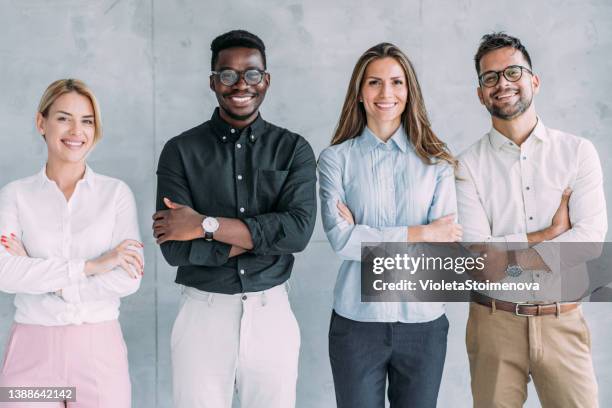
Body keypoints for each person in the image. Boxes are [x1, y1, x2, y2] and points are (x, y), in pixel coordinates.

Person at [152, 30, 316, 408]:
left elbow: (298, 233)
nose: (241, 84)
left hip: (271, 312)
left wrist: (205, 225)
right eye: (227, 75)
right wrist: (261, 240)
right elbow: (175, 248)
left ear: (266, 80)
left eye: (252, 73)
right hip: (202, 315)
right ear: (213, 82)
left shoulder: (293, 149)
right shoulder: (180, 151)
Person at [456, 32, 607, 407]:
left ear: (534, 81)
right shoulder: (466, 166)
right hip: (493, 324)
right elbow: (476, 259)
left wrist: (507, 258)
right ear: (480, 93)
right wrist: (550, 234)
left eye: (512, 72)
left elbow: (589, 241)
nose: (502, 84)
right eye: (490, 78)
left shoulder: (577, 153)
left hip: (562, 321)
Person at [318, 42, 462, 408]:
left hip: (424, 325)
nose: (387, 93)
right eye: (374, 83)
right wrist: (422, 232)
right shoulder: (335, 160)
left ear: (409, 91)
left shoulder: (437, 163)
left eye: (397, 82)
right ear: (360, 93)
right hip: (356, 325)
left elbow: (441, 250)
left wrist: (365, 236)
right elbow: (341, 242)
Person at [0, 78, 144, 407]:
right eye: (64, 117)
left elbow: (129, 276)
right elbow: (5, 274)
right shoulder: (15, 195)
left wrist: (42, 275)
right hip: (30, 354)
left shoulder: (116, 194)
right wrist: (92, 266)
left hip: (99, 356)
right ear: (42, 123)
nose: (76, 131)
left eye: (87, 121)